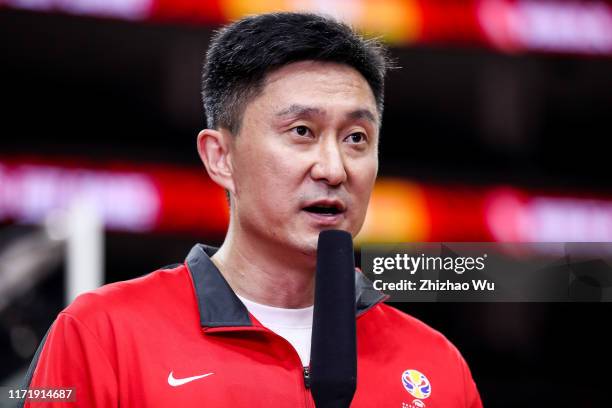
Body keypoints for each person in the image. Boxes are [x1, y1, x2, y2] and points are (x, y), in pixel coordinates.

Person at [21, 12, 482, 407]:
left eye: (356, 138)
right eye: (302, 131)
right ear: (220, 157)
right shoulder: (102, 333)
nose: (334, 168)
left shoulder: (437, 365)